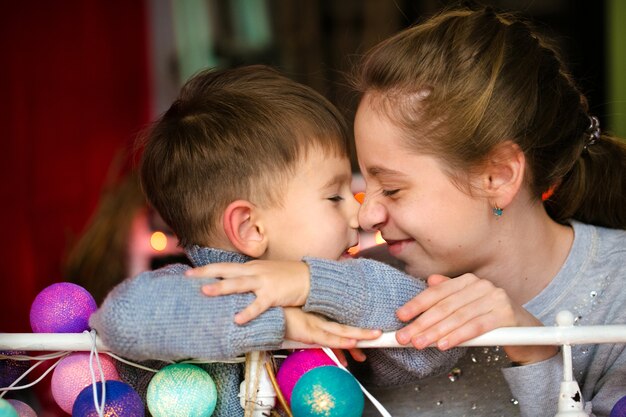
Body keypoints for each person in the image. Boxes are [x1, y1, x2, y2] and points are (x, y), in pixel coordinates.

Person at [186, 7, 626, 417]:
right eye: (364, 185)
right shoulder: (359, 284)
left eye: (392, 188)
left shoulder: (616, 289)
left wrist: (535, 350)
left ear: (497, 176)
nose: (365, 217)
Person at [90, 65, 465, 416]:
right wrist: (279, 322)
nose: (358, 214)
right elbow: (121, 319)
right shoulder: (186, 292)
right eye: (335, 197)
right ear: (251, 228)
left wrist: (314, 283)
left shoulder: (340, 295)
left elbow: (434, 350)